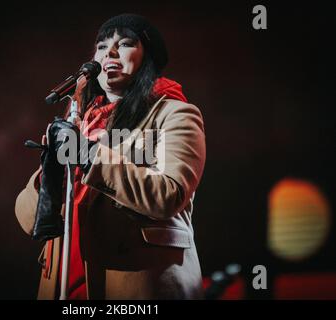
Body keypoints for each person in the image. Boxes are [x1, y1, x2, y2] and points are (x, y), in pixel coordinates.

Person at [15, 13, 206, 300]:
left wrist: (90, 155)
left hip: (137, 286)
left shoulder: (175, 114)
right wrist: (48, 173)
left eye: (125, 43)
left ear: (148, 57)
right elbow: (28, 220)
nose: (110, 52)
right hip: (67, 285)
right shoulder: (79, 122)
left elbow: (169, 194)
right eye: (102, 47)